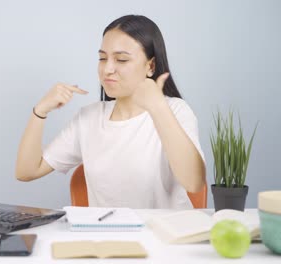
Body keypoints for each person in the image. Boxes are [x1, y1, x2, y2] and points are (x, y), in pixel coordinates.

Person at [15, 15, 206, 209]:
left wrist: (158, 108)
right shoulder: (88, 118)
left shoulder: (175, 110)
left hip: (164, 236)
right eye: (102, 58)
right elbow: (26, 171)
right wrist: (40, 111)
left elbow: (194, 182)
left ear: (151, 66)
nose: (107, 69)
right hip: (108, 235)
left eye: (121, 59)